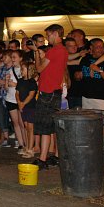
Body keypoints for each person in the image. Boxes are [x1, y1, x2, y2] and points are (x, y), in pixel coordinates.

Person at [33, 24, 68, 170]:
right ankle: (55, 156)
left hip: (48, 92)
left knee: (44, 127)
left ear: (55, 34)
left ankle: (42, 159)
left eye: (48, 35)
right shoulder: (63, 50)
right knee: (52, 126)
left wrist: (37, 54)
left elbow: (39, 68)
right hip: (55, 91)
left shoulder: (55, 50)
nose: (47, 38)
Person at [17, 62, 38, 158]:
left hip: (30, 106)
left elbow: (31, 95)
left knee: (30, 128)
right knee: (26, 127)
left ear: (29, 70)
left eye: (23, 69)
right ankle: (27, 146)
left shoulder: (32, 82)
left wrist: (23, 103)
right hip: (22, 106)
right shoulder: (20, 81)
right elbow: (17, 93)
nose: (21, 71)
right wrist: (19, 102)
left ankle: (30, 149)